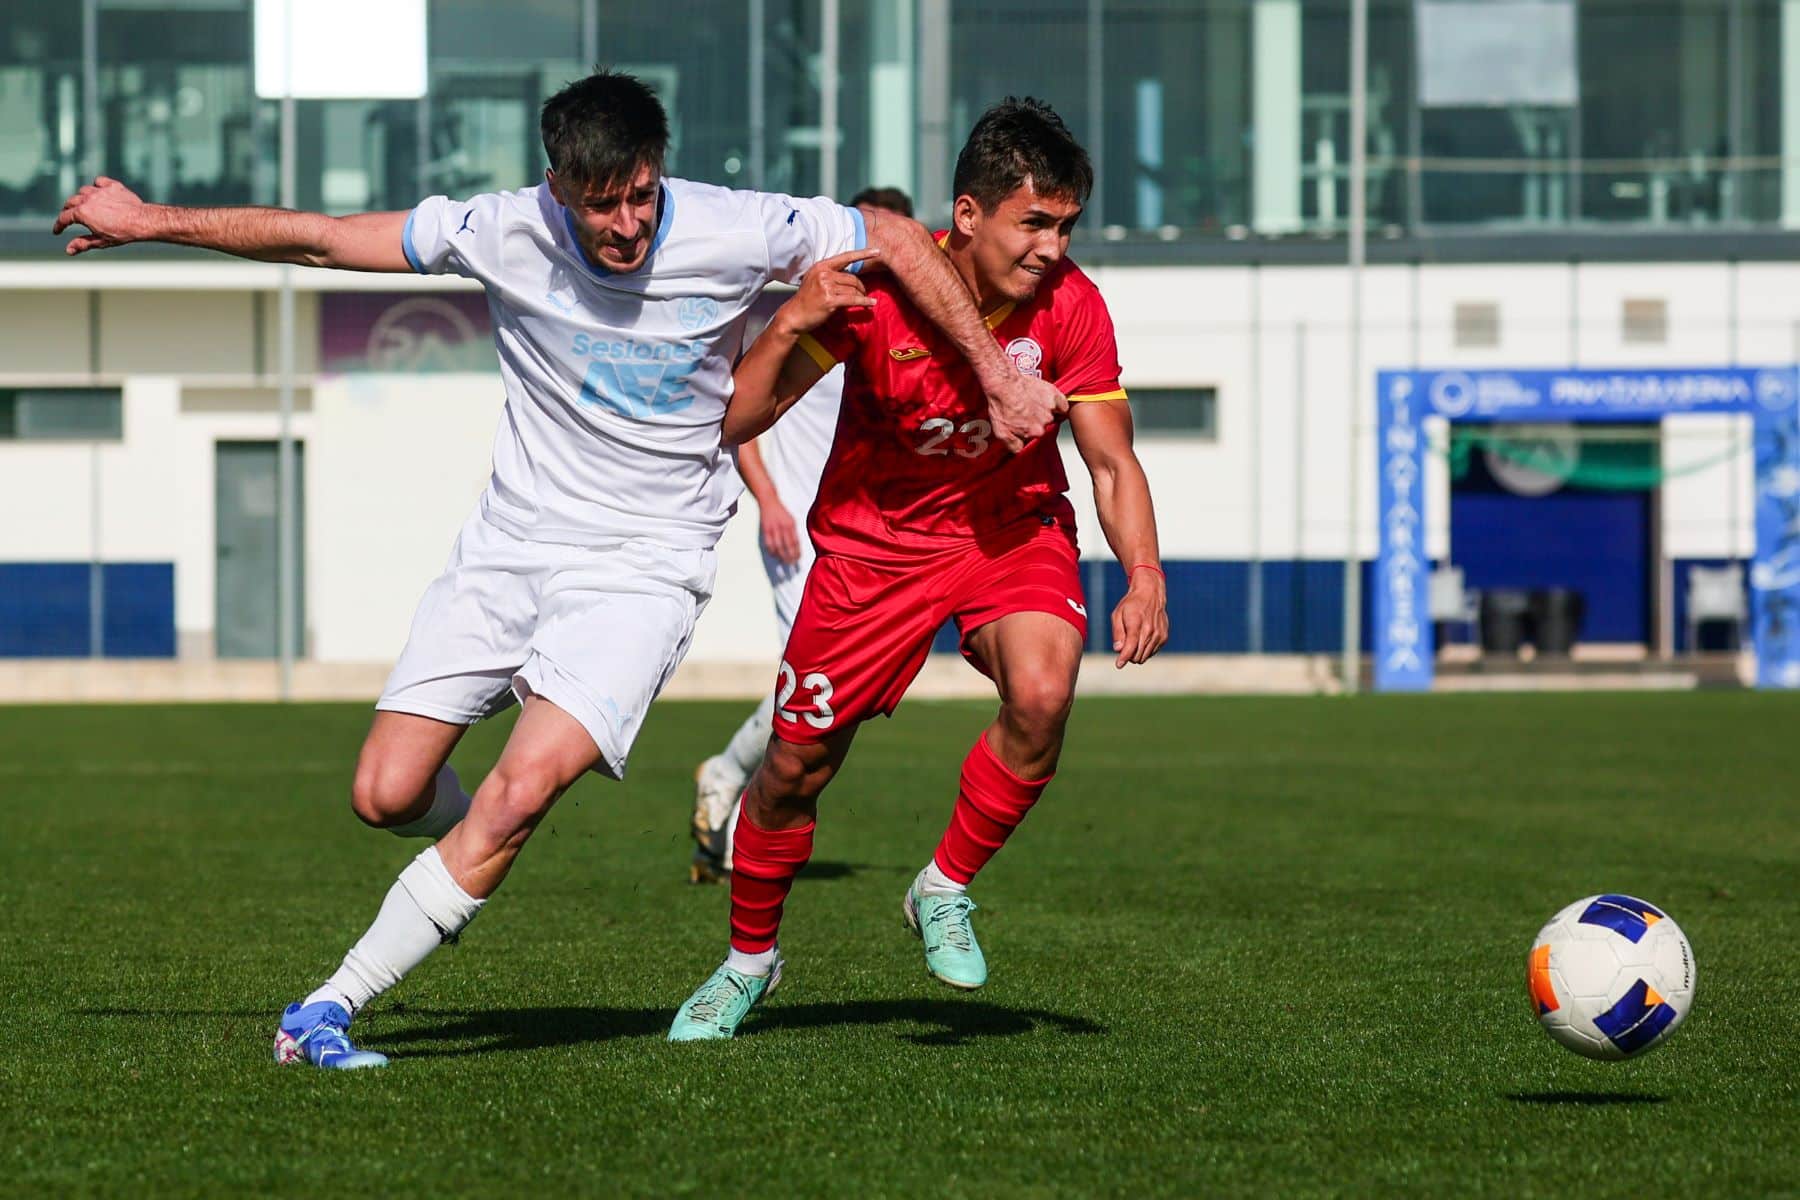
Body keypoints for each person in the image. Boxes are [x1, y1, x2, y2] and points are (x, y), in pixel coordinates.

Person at [54, 71, 1065, 1070]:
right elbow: (322, 237)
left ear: (660, 169)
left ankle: (327, 1007)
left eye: (641, 197)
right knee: (386, 793)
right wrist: (149, 220)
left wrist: (992, 376)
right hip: (512, 546)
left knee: (519, 791)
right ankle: (467, 853)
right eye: (599, 204)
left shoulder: (736, 226)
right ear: (556, 188)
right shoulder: (501, 229)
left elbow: (894, 236)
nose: (627, 225)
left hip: (645, 568)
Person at [668, 98, 1168, 1041]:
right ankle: (747, 963)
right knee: (792, 769)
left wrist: (1143, 573)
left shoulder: (1075, 306)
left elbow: (1110, 461)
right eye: (1035, 223)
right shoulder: (877, 292)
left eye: (1067, 226)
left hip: (1009, 532)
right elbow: (740, 418)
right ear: (967, 215)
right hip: (874, 551)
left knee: (1043, 693)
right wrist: (789, 321)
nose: (1054, 248)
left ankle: (942, 886)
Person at [689, 186, 916, 885]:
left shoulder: (903, 323)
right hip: (796, 524)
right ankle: (744, 825)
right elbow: (742, 415)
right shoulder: (809, 315)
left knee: (840, 687)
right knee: (814, 681)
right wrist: (770, 503)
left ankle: (726, 773)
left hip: (861, 530)